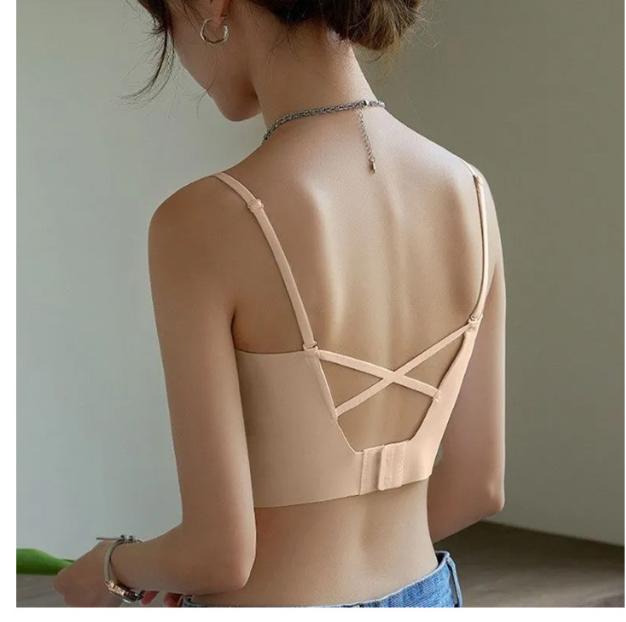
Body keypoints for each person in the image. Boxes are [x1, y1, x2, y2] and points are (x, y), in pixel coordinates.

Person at [54, 0, 506, 608]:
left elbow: (216, 554)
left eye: (165, 23)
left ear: (211, 7)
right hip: (427, 593)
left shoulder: (203, 220)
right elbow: (479, 487)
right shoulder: (470, 192)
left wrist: (110, 566)